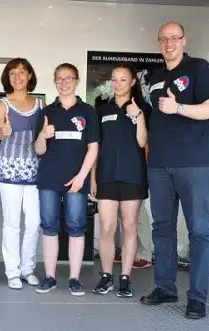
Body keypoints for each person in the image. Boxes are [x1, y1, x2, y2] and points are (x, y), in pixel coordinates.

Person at [140, 22, 209, 320]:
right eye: (163, 39)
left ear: (184, 40)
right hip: (159, 164)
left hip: (193, 163)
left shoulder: (199, 68)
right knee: (162, 228)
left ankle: (197, 297)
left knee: (199, 229)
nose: (169, 43)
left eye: (174, 38)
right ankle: (165, 287)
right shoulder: (156, 77)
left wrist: (179, 109)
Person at [34, 63, 99, 296]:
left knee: (76, 227)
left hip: (76, 181)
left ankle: (74, 278)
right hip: (49, 178)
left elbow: (93, 148)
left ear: (77, 80)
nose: (64, 83)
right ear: (54, 82)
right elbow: (39, 150)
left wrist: (82, 177)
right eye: (59, 79)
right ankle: (50, 277)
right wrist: (43, 134)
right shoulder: (47, 112)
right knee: (49, 226)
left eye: (68, 78)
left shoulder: (88, 111)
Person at [90, 63, 151, 298]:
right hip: (106, 176)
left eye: (123, 80)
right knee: (106, 228)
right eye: (114, 79)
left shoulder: (142, 107)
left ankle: (125, 277)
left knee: (130, 228)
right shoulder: (101, 111)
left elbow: (143, 142)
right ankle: (106, 276)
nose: (117, 84)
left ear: (133, 82)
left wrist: (138, 117)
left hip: (132, 177)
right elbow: (95, 147)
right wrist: (93, 178)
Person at [0, 58, 43, 289]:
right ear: (8, 77)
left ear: (30, 75)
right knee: (12, 223)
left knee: (33, 223)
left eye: (22, 72)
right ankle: (12, 272)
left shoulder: (41, 104)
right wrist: (2, 130)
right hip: (9, 170)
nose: (17, 76)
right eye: (13, 73)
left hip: (34, 171)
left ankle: (27, 269)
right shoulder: (2, 103)